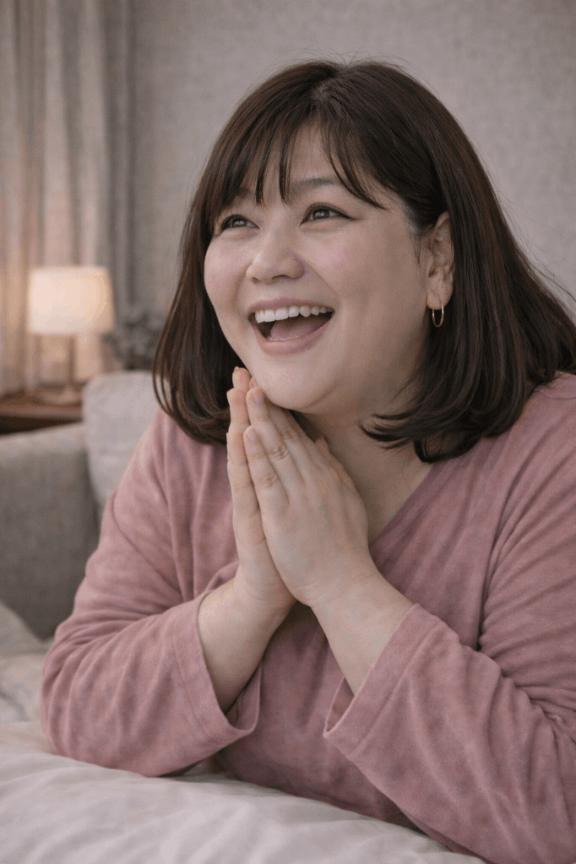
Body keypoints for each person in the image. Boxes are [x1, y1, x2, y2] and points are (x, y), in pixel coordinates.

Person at [41, 59, 576, 864]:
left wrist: (340, 581)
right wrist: (253, 598)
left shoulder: (553, 452)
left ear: (437, 259)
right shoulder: (195, 438)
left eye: (322, 211)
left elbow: (557, 809)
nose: (267, 262)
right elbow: (77, 704)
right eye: (237, 221)